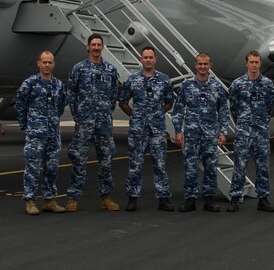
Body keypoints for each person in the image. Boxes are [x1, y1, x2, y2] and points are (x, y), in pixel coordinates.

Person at [65, 33, 120, 212]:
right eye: (93, 45)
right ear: (88, 47)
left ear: (102, 47)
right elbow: (71, 92)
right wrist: (77, 114)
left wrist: (106, 112)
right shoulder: (79, 69)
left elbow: (114, 94)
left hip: (104, 122)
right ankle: (74, 198)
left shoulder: (110, 69)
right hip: (84, 121)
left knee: (106, 159)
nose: (96, 48)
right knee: (79, 159)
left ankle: (106, 197)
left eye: (99, 45)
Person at [119, 46, 175, 212]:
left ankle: (163, 198)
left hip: (157, 129)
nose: (148, 60)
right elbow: (122, 101)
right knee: (135, 165)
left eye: (151, 57)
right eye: (145, 57)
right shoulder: (132, 80)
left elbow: (169, 102)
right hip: (138, 129)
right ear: (141, 59)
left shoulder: (164, 80)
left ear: (155, 59)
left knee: (160, 164)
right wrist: (135, 115)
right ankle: (132, 198)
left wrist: (156, 114)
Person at [172, 53, 229, 212]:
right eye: (200, 64)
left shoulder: (216, 87)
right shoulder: (186, 85)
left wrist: (223, 132)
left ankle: (209, 199)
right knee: (190, 167)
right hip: (191, 134)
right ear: (195, 65)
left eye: (205, 64)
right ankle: (190, 198)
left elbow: (223, 111)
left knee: (210, 167)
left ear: (210, 65)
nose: (203, 67)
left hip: (210, 135)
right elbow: (178, 110)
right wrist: (178, 131)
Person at [16, 51, 67, 216]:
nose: (47, 65)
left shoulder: (58, 85)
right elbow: (20, 105)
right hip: (36, 134)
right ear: (38, 63)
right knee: (33, 168)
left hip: (53, 133)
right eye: (44, 62)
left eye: (50, 62)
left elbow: (60, 106)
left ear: (53, 64)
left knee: (52, 168)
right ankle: (30, 200)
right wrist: (27, 125)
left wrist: (52, 122)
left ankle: (49, 199)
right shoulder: (30, 83)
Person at [226, 51, 274, 212]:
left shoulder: (268, 84)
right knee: (239, 165)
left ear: (260, 64)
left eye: (256, 62)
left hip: (261, 131)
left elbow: (270, 105)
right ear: (246, 64)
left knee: (263, 166)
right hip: (244, 131)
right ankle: (235, 197)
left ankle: (263, 198)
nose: (254, 65)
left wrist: (261, 121)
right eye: (251, 62)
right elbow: (233, 107)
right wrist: (243, 121)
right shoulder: (237, 84)